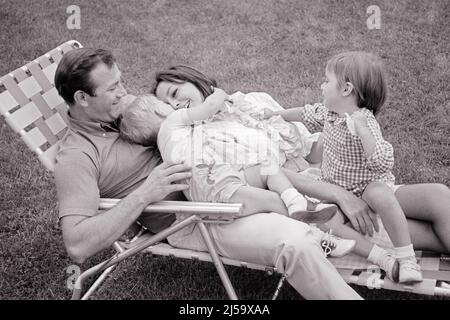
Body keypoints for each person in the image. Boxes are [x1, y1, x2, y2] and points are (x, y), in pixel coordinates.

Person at [53, 47, 363, 299]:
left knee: (308, 187)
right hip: (195, 217)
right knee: (294, 239)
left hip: (225, 175)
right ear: (82, 98)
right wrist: (145, 193)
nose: (125, 92)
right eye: (113, 89)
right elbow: (77, 245)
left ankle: (371, 228)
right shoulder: (78, 155)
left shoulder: (126, 111)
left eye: (121, 82)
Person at [153, 63, 450, 283]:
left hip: (344, 178)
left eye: (174, 92)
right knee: (423, 233)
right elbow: (261, 179)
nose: (174, 103)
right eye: (166, 104)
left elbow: (310, 146)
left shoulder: (253, 101)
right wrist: (339, 195)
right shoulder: (196, 139)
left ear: (192, 78)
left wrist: (349, 138)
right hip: (317, 204)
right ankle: (398, 254)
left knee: (437, 195)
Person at [266, 51, 450, 283]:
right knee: (324, 219)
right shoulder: (329, 114)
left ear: (346, 90)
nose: (321, 85)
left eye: (326, 81)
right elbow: (305, 113)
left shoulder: (364, 121)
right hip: (341, 198)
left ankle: (407, 260)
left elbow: (383, 162)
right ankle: (385, 257)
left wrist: (363, 132)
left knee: (434, 194)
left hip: (373, 194)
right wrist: (275, 114)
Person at [119, 92, 357, 258]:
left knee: (266, 167)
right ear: (160, 110)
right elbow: (208, 107)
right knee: (273, 200)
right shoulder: (173, 122)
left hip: (214, 191)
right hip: (222, 190)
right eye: (165, 103)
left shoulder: (165, 144)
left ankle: (296, 202)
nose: (172, 105)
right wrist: (219, 95)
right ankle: (324, 238)